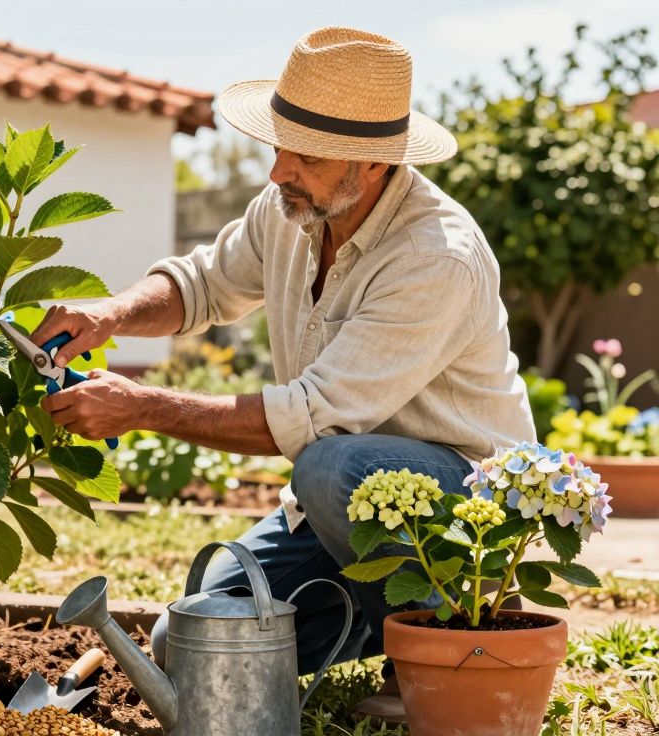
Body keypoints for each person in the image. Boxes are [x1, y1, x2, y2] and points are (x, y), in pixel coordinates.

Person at [33, 26, 536, 723]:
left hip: (465, 507)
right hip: (355, 511)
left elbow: (311, 416)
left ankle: (447, 634)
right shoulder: (293, 210)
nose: (277, 172)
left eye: (303, 155)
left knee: (328, 467)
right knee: (189, 640)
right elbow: (203, 285)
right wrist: (111, 314)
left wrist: (141, 406)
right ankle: (377, 614)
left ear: (370, 164)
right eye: (278, 146)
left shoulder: (434, 256)